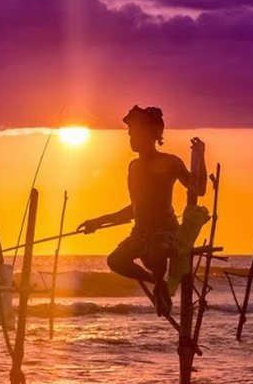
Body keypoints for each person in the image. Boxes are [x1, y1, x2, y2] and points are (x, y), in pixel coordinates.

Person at [77, 105, 206, 317]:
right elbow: (134, 210)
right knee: (115, 261)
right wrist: (97, 222)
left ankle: (159, 284)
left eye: (135, 132)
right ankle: (158, 282)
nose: (130, 137)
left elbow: (199, 189)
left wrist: (200, 156)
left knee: (157, 252)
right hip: (140, 233)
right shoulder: (133, 167)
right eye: (129, 133)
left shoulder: (169, 162)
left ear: (151, 135)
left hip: (166, 232)